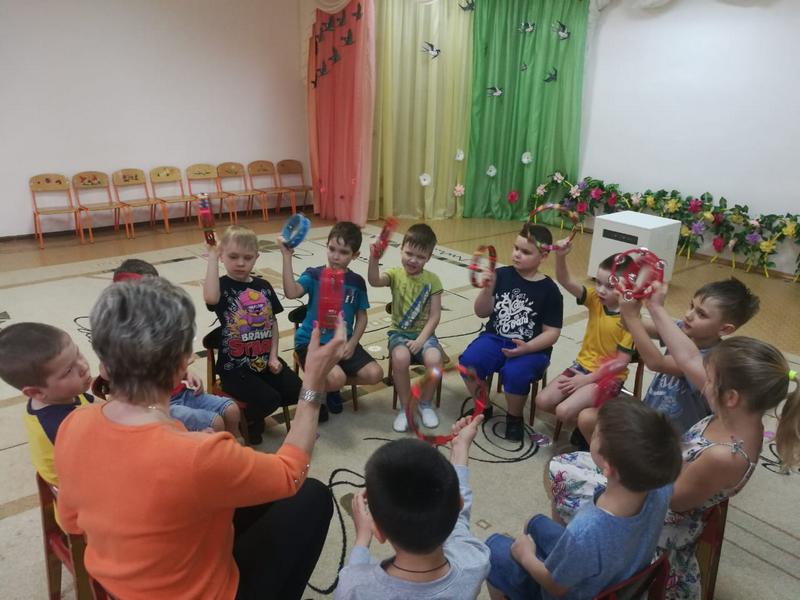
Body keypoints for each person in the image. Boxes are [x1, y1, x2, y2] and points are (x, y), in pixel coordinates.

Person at [54, 276, 346, 600]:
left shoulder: (74, 423)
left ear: (104, 365)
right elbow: (291, 472)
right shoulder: (199, 455)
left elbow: (71, 523)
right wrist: (313, 382)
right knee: (312, 496)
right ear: (183, 363)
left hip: (115, 586)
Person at [550, 283, 800, 600]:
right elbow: (689, 356)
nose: (701, 381)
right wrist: (653, 306)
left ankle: (570, 567)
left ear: (731, 397)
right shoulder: (737, 415)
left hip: (661, 518)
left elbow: (673, 502)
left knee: (562, 470)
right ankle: (571, 551)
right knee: (576, 456)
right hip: (663, 477)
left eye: (709, 379)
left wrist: (621, 465)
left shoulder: (725, 455)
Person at [488, 399, 682, 600]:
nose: (591, 432)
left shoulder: (586, 529)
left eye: (596, 433)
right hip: (616, 574)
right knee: (534, 522)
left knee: (493, 549)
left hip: (566, 593)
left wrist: (526, 557)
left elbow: (556, 587)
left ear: (607, 466)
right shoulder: (662, 487)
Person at [576, 277, 759, 439]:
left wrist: (634, 315)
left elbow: (656, 362)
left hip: (670, 439)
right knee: (587, 419)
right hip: (650, 419)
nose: (689, 315)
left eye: (701, 314)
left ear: (725, 329)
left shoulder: (712, 361)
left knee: (591, 421)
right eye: (691, 306)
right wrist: (629, 299)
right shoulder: (682, 329)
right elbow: (627, 323)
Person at [335, 414, 490, 599]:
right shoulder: (475, 561)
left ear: (378, 532)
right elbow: (460, 523)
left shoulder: (355, 587)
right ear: (459, 505)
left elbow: (354, 574)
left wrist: (362, 539)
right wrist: (461, 447)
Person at [459, 223, 563, 442]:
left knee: (515, 373)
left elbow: (552, 332)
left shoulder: (550, 290)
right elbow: (481, 312)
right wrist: (487, 289)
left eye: (525, 252)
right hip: (495, 337)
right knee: (469, 362)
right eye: (516, 248)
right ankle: (483, 406)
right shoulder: (501, 275)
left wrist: (528, 348)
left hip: (532, 348)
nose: (517, 254)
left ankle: (514, 418)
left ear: (543, 256)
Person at [112, 258, 241, 435]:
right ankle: (216, 450)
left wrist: (187, 373)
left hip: (183, 393)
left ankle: (231, 446)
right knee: (215, 422)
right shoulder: (121, 337)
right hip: (158, 406)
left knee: (232, 410)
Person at [204, 225, 304, 443]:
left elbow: (272, 323)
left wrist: (273, 356)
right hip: (234, 369)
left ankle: (253, 415)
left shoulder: (263, 286)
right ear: (222, 256)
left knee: (299, 391)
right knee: (270, 399)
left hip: (264, 362)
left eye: (247, 258)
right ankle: (246, 421)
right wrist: (211, 256)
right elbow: (211, 298)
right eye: (233, 257)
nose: (241, 263)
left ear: (256, 258)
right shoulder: (220, 286)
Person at [280, 221, 383, 415]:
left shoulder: (357, 282)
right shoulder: (314, 274)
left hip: (343, 343)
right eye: (332, 249)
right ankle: (317, 392)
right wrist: (287, 257)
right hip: (311, 343)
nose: (336, 256)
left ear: (355, 255)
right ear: (326, 246)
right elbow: (291, 292)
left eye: (343, 252)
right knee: (337, 378)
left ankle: (328, 387)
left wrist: (352, 343)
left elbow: (362, 317)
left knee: (375, 374)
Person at [535, 247, 635, 431]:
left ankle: (594, 425)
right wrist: (560, 256)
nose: (601, 290)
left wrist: (587, 380)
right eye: (598, 282)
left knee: (564, 411)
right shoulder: (594, 299)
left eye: (609, 286)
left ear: (628, 288)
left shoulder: (630, 318)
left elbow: (621, 362)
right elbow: (564, 280)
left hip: (608, 378)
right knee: (542, 401)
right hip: (581, 367)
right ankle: (587, 424)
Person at [367, 223, 444, 432]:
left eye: (420, 256)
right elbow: (374, 280)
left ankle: (425, 404)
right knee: (400, 358)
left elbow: (435, 316)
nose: (413, 260)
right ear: (401, 249)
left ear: (429, 257)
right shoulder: (394, 274)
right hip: (399, 334)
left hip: (424, 335)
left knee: (435, 360)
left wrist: (421, 340)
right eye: (409, 253)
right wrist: (374, 257)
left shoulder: (433, 280)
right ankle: (405, 407)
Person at [0, 323, 93, 485]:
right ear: (36, 392)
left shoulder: (56, 395)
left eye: (78, 353)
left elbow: (91, 404)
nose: (83, 366)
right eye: (68, 371)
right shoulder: (62, 423)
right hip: (71, 484)